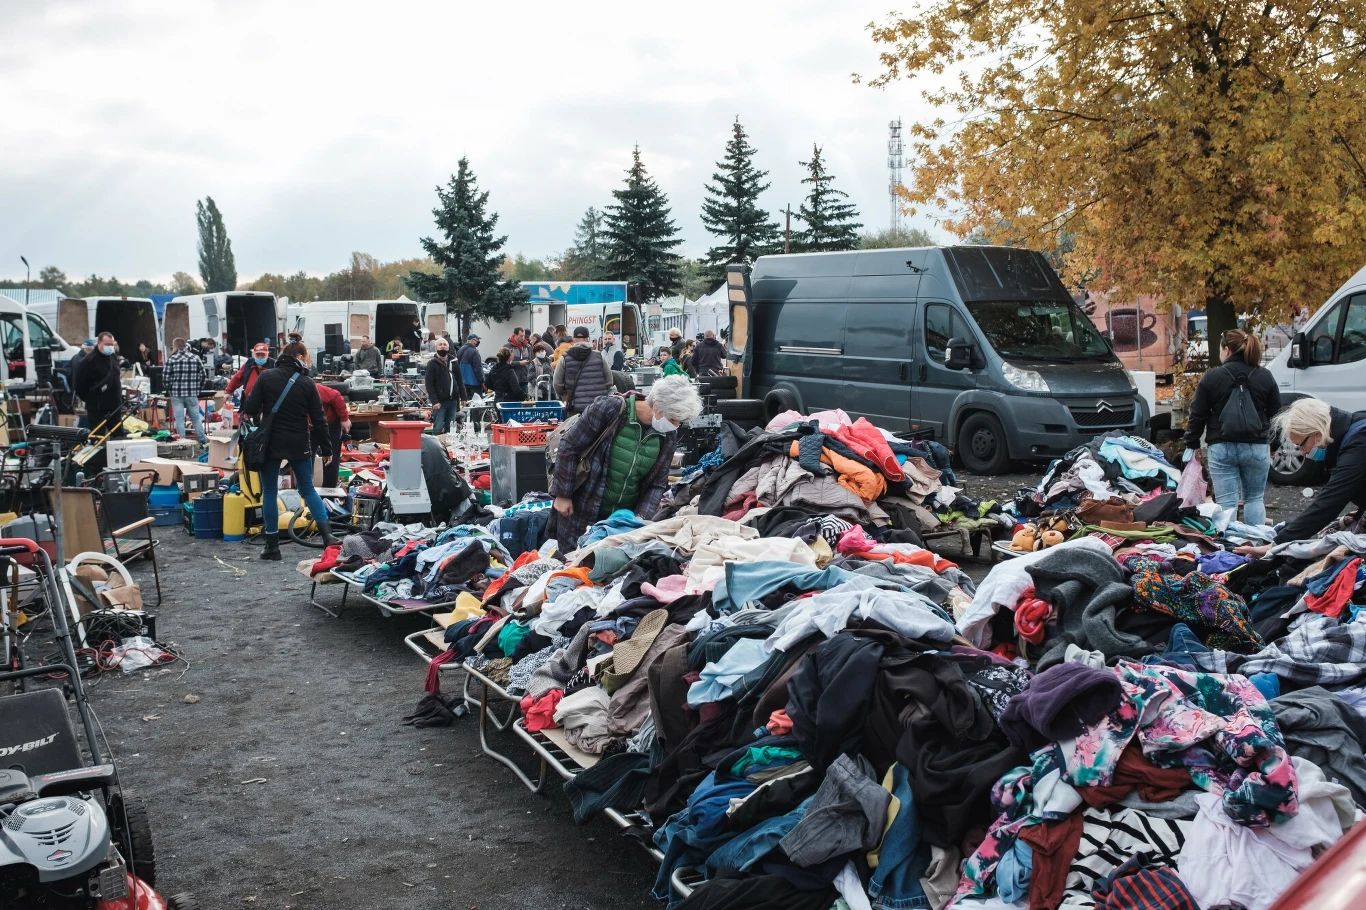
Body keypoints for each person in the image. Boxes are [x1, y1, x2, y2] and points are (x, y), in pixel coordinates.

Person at [547, 375, 703, 548]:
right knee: (572, 557)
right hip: (581, 509)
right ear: (657, 405)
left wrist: (640, 518)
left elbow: (657, 483)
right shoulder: (610, 409)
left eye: (679, 421)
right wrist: (563, 494)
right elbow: (570, 446)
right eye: (673, 419)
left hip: (622, 524)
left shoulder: (668, 436)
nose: (676, 425)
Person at [1235, 398, 1366, 556]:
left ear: (1317, 431)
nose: (1303, 452)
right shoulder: (1355, 427)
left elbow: (1330, 502)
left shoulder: (1359, 444)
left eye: (1301, 445)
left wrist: (1276, 545)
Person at [241, 342, 335, 560]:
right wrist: (327, 448)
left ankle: (272, 547)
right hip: (299, 441)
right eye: (306, 356)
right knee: (307, 489)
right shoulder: (307, 382)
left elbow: (250, 407)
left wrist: (263, 413)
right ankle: (328, 537)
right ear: (299, 356)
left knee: (269, 491)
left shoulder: (266, 377)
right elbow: (319, 419)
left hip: (270, 442)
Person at [1184, 329, 1281, 525]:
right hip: (1257, 446)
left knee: (1227, 503)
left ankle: (1229, 541)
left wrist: (1193, 444)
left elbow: (1198, 414)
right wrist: (1274, 445)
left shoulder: (1212, 377)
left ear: (1227, 350)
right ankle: (1256, 539)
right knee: (1254, 499)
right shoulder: (1265, 376)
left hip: (1221, 446)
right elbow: (1277, 415)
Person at [553, 326, 613, 416]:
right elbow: (609, 381)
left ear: (573, 339)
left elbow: (557, 384)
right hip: (598, 408)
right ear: (588, 339)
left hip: (575, 409)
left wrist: (565, 395)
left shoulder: (564, 358)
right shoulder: (600, 356)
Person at [74, 332, 124, 432]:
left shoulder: (112, 356)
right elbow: (79, 385)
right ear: (99, 343)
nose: (110, 347)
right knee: (97, 437)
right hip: (97, 408)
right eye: (107, 344)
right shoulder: (88, 361)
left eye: (111, 344)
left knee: (118, 436)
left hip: (115, 407)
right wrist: (91, 399)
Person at [163, 337, 208, 446]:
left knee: (179, 419)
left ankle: (182, 443)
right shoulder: (195, 358)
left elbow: (165, 378)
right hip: (192, 393)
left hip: (176, 394)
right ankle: (202, 441)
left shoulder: (171, 359)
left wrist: (169, 389)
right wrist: (198, 389)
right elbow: (203, 376)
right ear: (184, 346)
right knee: (196, 418)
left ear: (175, 347)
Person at [424, 337, 464, 433]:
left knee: (450, 429)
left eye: (445, 344)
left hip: (453, 401)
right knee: (438, 428)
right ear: (436, 348)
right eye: (440, 345)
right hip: (440, 402)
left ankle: (448, 443)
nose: (442, 346)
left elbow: (459, 380)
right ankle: (435, 443)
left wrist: (463, 397)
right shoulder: (432, 364)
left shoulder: (454, 362)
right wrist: (434, 401)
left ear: (448, 347)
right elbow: (429, 384)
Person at [315, 382, 351, 488]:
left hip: (330, 423)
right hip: (310, 426)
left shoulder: (315, 388)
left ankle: (329, 490)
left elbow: (336, 397)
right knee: (307, 457)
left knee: (331, 458)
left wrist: (344, 418)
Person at [507, 327, 532, 395]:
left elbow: (531, 361)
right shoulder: (508, 347)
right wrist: (519, 363)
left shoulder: (528, 347)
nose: (523, 338)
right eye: (521, 336)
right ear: (515, 335)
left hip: (525, 379)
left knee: (524, 399)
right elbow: (505, 363)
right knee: (513, 399)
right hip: (512, 379)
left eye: (524, 335)